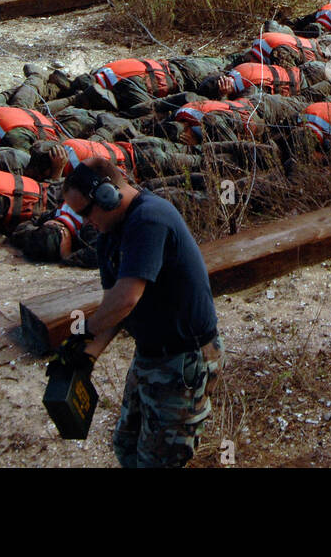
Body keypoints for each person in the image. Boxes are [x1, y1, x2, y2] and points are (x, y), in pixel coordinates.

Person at [53, 158, 224, 469]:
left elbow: (126, 299)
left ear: (107, 195)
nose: (83, 222)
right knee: (126, 446)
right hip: (150, 356)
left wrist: (85, 330)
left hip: (183, 359)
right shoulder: (109, 235)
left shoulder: (149, 219)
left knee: (161, 460)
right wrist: (84, 355)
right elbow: (113, 306)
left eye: (85, 212)